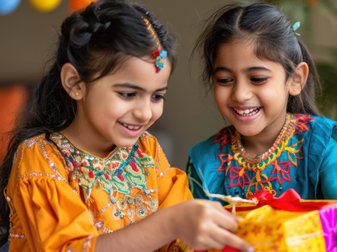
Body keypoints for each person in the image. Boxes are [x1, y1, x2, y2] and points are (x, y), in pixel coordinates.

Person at [0, 0, 254, 251]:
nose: (145, 113)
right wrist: (169, 224)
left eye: (157, 96)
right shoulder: (40, 158)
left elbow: (181, 242)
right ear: (75, 83)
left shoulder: (147, 150)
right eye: (128, 94)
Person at [187, 2, 337, 251]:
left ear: (295, 80)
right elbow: (194, 240)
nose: (240, 94)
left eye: (258, 79)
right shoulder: (204, 161)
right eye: (225, 80)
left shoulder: (322, 143)